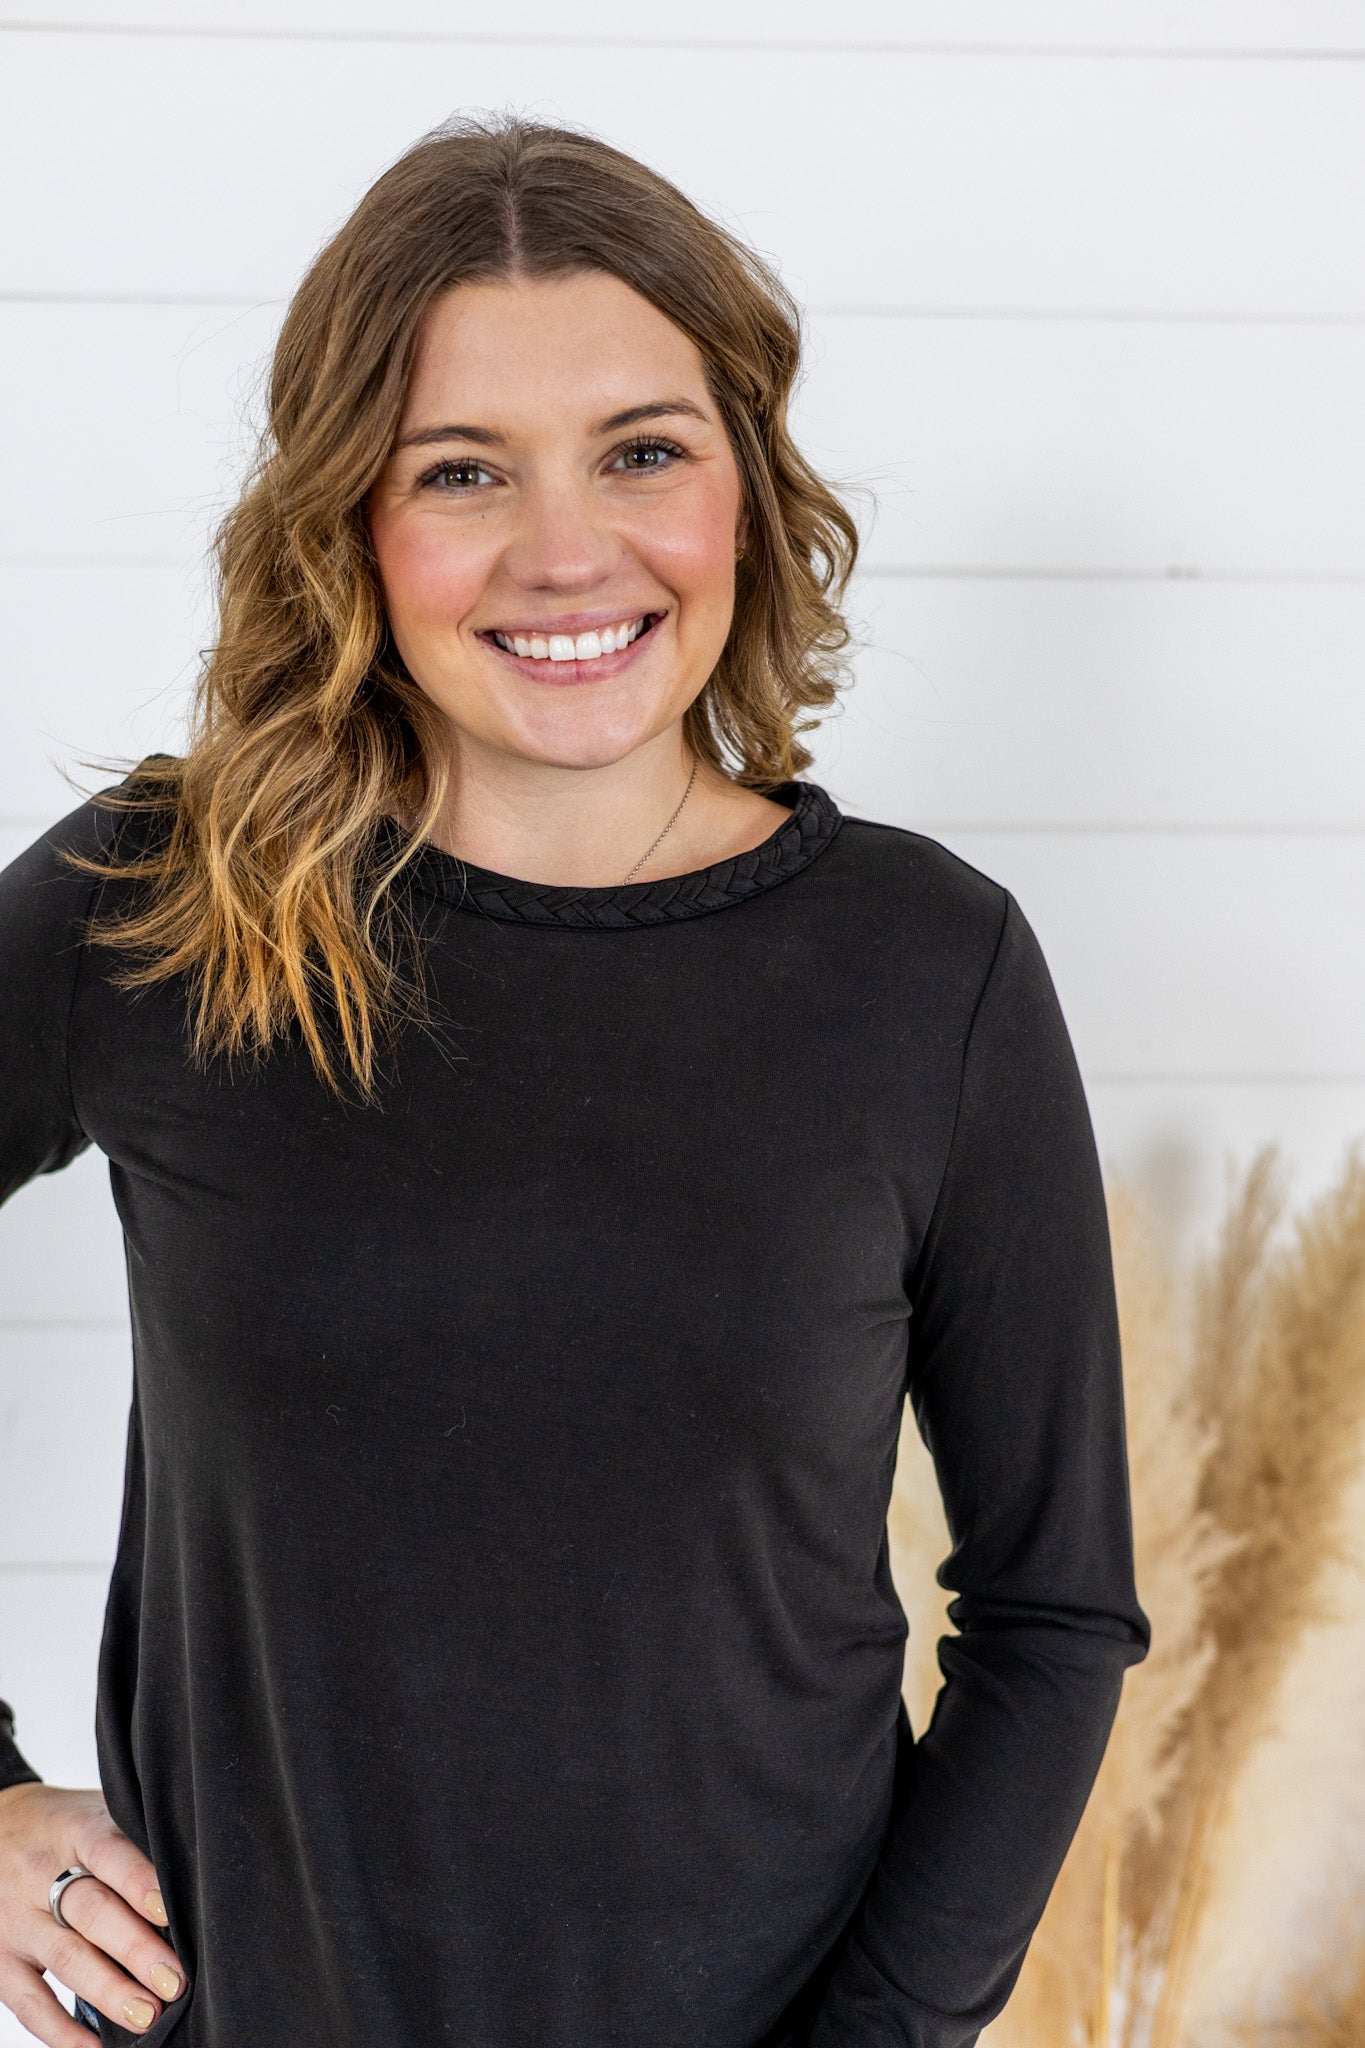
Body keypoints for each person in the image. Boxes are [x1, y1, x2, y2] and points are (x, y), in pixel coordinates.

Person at [0, 113, 1150, 2048]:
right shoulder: (168, 903)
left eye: (642, 451)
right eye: (461, 469)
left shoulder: (923, 968)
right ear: (348, 519)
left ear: (743, 488)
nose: (565, 552)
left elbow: (1052, 1615)